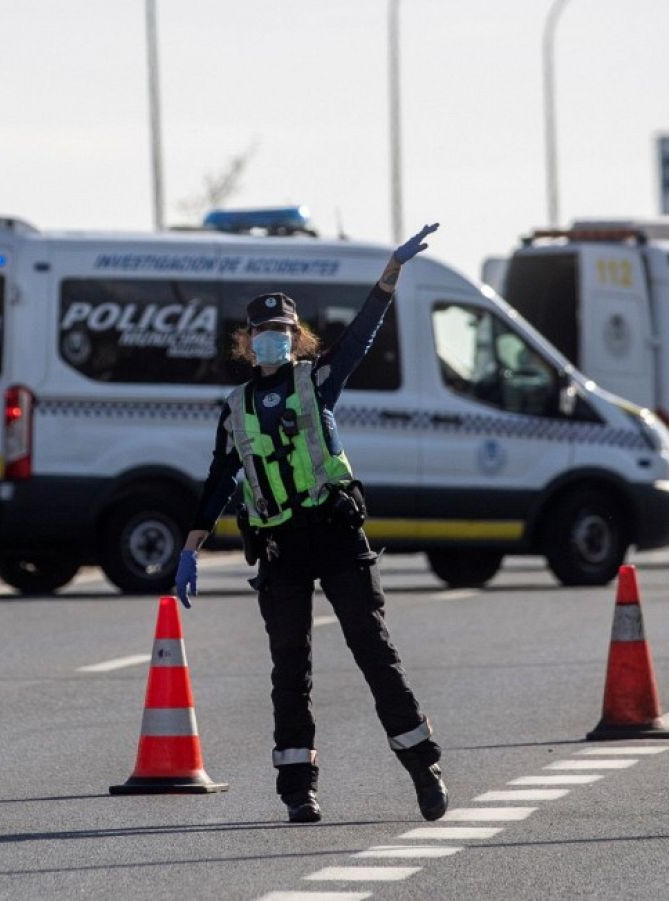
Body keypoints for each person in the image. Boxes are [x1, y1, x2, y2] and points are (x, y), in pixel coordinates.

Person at [173, 224, 448, 825]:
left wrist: (389, 274)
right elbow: (220, 479)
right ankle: (299, 789)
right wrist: (190, 547)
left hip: (335, 533)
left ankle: (422, 765)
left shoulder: (317, 381)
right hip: (279, 547)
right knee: (289, 669)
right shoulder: (234, 408)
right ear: (247, 343)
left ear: (296, 339)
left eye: (282, 332)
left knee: (376, 653)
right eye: (262, 333)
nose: (272, 341)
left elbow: (361, 338)